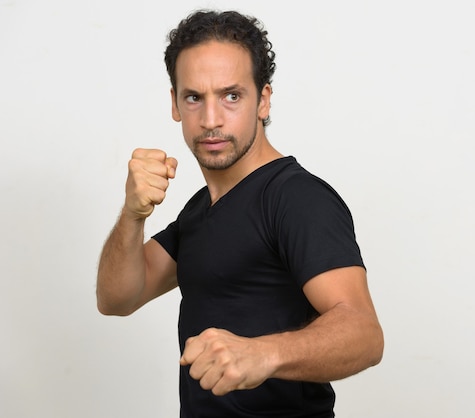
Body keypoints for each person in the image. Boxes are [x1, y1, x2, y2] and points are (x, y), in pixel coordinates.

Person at [97, 9, 384, 418]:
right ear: (175, 104)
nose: (211, 120)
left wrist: (263, 354)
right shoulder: (200, 209)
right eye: (194, 97)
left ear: (263, 99)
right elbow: (117, 297)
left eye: (231, 95)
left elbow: (364, 333)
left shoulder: (297, 198)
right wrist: (132, 213)